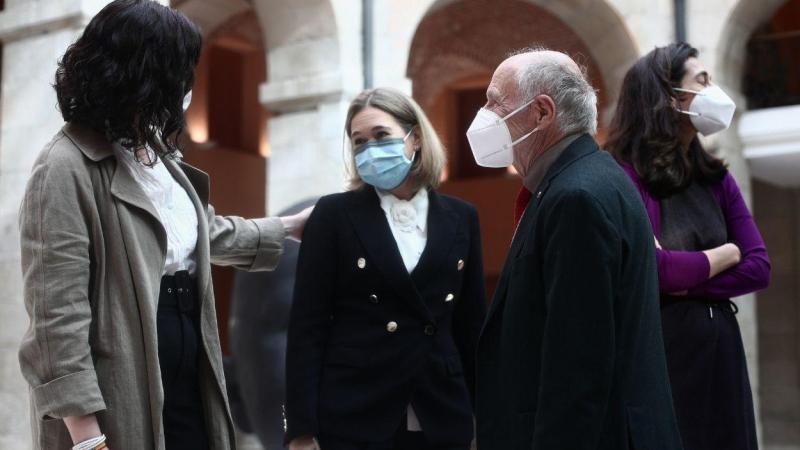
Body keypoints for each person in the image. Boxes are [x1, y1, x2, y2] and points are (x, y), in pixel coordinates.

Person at [17, 1, 310, 449]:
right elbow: (57, 318)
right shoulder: (64, 167)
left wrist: (289, 227)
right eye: (178, 71)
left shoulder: (155, 154)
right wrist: (87, 440)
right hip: (122, 380)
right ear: (140, 74)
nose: (186, 86)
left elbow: (201, 235)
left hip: (190, 360)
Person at [470, 48, 683, 450]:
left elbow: (577, 363)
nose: (484, 113)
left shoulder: (577, 196)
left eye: (495, 101)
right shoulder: (584, 180)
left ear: (541, 112)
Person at [284, 87, 487, 450]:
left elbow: (470, 325)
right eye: (359, 142)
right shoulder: (333, 214)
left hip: (442, 411)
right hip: (355, 411)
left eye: (381, 136)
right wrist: (301, 430)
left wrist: (484, 416)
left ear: (416, 138)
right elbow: (306, 327)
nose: (370, 149)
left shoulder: (462, 216)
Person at [606, 42, 771, 450]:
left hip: (722, 349)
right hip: (665, 351)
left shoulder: (716, 177)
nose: (714, 89)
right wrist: (724, 254)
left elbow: (759, 266)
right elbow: (658, 270)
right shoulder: (626, 176)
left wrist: (690, 279)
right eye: (702, 80)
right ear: (669, 97)